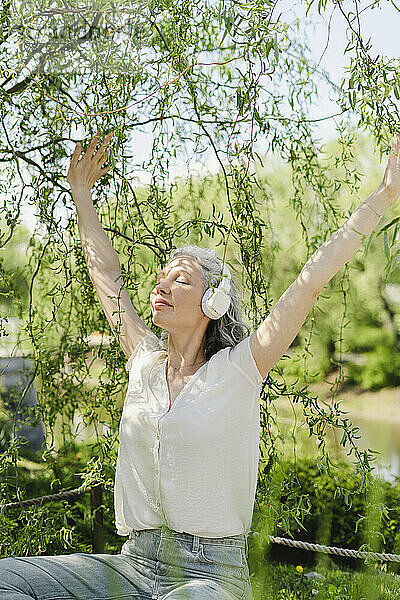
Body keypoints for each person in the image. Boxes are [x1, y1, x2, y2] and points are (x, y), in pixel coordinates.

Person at [1, 131, 399, 600]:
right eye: (161, 275)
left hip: (211, 577)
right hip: (134, 562)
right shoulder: (143, 364)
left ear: (212, 301)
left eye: (181, 279)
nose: (161, 284)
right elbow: (105, 274)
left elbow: (310, 281)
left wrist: (386, 195)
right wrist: (81, 195)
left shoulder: (240, 368)